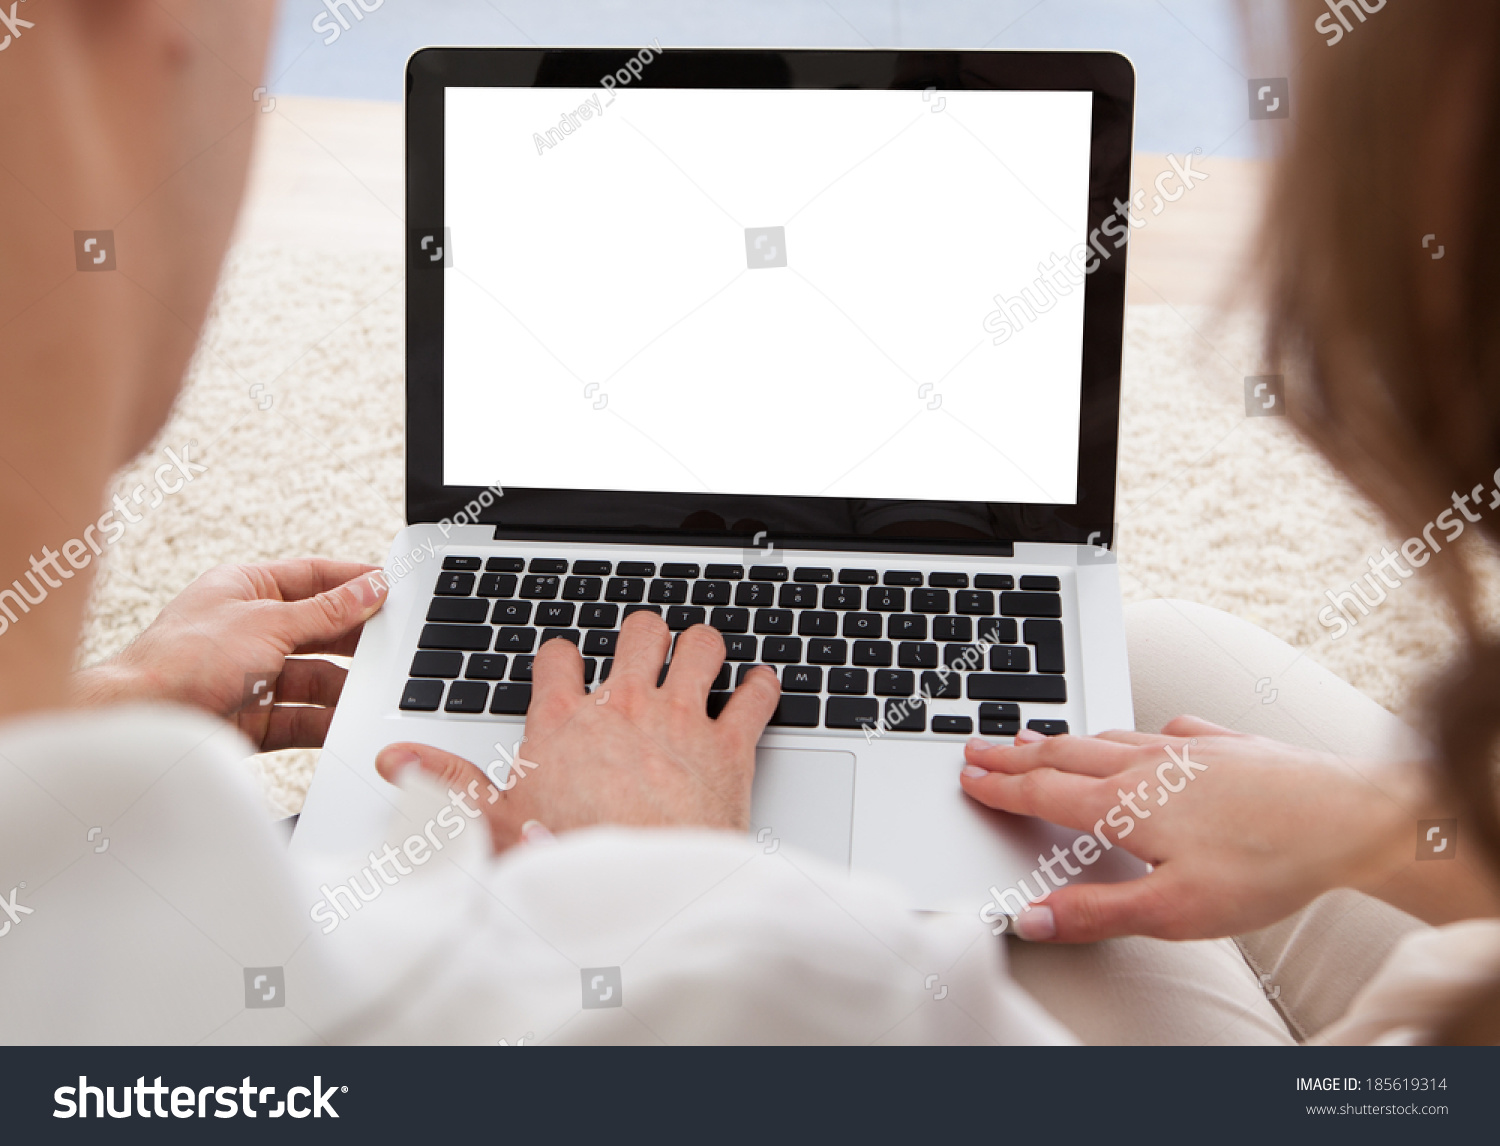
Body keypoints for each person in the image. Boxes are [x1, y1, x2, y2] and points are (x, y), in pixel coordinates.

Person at [1, 0, 1496, 1047]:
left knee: (1133, 679)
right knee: (1084, 773)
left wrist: (86, 712)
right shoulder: (779, 1000)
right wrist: (665, 901)